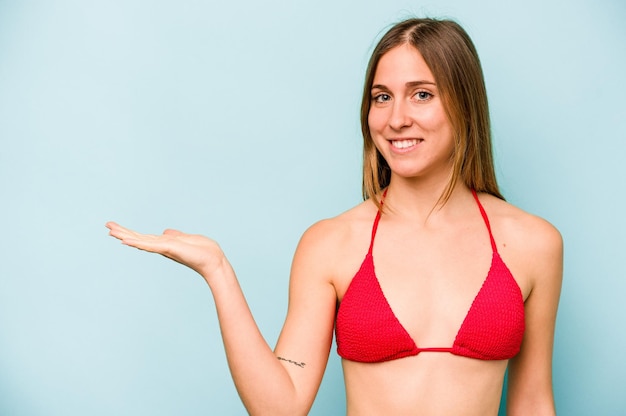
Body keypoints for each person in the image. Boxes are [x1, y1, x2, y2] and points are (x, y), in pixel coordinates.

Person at [106, 17, 562, 415]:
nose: (396, 118)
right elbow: (281, 406)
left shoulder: (532, 243)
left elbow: (533, 403)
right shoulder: (331, 243)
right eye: (381, 97)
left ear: (465, 105)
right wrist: (218, 270)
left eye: (421, 94)